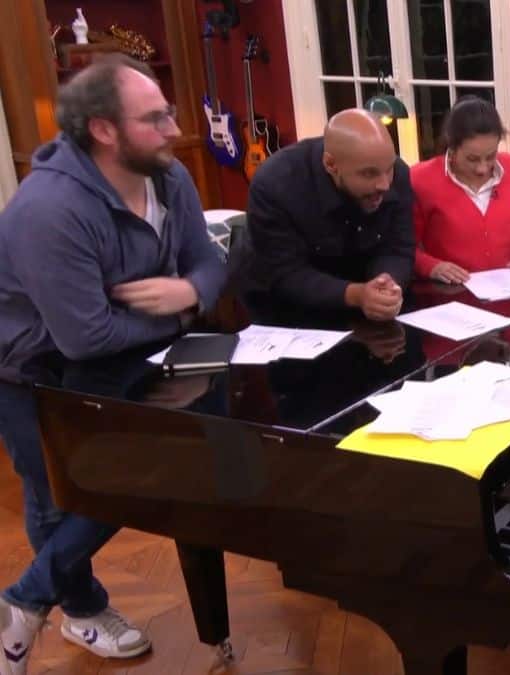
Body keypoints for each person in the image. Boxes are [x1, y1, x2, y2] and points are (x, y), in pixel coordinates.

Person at [0, 55, 228, 672]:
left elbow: (207, 261)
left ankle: (24, 602)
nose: (174, 127)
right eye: (155, 117)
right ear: (104, 129)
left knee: (145, 470)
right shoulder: (48, 210)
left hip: (129, 352)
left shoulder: (168, 175)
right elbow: (85, 336)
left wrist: (190, 290)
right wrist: (183, 311)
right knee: (56, 496)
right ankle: (80, 611)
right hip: (30, 370)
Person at [239, 108, 415, 322]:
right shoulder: (275, 183)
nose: (385, 184)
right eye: (369, 173)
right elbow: (285, 274)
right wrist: (357, 294)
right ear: (331, 164)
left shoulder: (399, 173)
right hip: (279, 310)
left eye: (389, 169)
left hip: (363, 304)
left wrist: (387, 282)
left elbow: (398, 248)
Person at [411, 97, 510, 284]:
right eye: (472, 159)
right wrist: (432, 266)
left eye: (490, 156)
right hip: (451, 296)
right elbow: (404, 247)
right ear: (452, 147)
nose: (482, 168)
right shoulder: (420, 179)